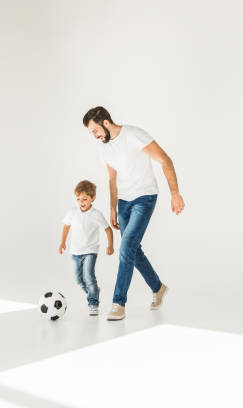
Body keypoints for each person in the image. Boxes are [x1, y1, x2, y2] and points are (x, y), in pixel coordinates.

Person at [83, 106, 185, 320]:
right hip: (123, 202)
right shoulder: (104, 147)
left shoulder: (134, 135)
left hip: (144, 197)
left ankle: (118, 303)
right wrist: (112, 206)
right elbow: (112, 178)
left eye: (95, 131)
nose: (94, 136)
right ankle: (158, 288)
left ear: (106, 123)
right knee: (133, 250)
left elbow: (165, 160)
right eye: (92, 133)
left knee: (126, 248)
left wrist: (175, 194)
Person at [59, 180, 114, 315]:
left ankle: (93, 302)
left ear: (93, 197)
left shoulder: (96, 214)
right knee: (78, 279)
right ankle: (94, 291)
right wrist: (62, 242)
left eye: (85, 199)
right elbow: (66, 226)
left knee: (88, 276)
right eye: (78, 199)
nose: (81, 202)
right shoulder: (72, 212)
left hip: (90, 250)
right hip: (75, 252)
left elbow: (108, 229)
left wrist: (110, 246)